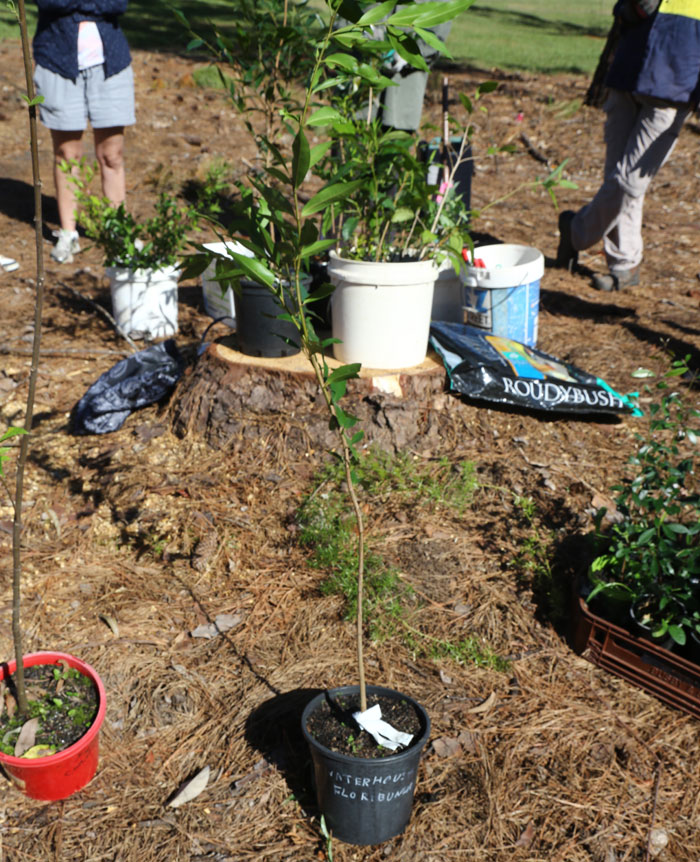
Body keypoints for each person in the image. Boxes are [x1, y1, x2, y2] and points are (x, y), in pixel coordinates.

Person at [556, 0, 700, 291]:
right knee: (616, 176)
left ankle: (576, 231)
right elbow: (622, 10)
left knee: (629, 182)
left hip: (675, 86)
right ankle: (624, 264)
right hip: (628, 72)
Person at [32, 0, 135, 264]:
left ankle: (118, 231)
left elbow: (117, 4)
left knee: (112, 155)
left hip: (110, 63)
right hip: (56, 61)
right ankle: (68, 233)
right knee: (67, 154)